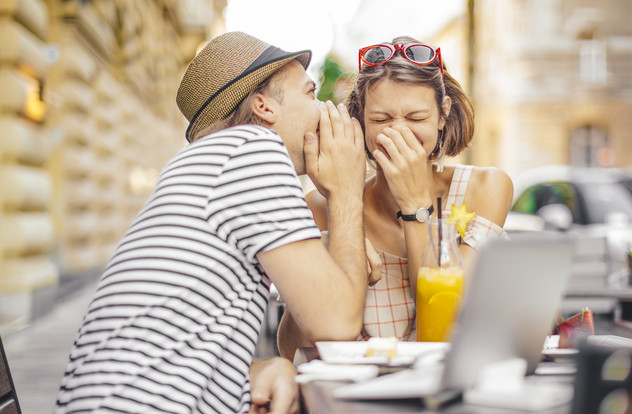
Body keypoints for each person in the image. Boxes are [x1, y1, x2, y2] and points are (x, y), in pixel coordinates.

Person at [55, 31, 369, 414]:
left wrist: (255, 370)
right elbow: (336, 324)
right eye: (309, 93)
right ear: (264, 106)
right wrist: (348, 191)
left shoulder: (211, 160)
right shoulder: (253, 150)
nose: (322, 109)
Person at [278, 36, 513, 357]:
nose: (398, 133)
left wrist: (416, 206)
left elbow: (448, 321)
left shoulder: (485, 188)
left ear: (443, 114)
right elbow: (293, 350)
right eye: (381, 119)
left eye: (416, 118)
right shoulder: (321, 205)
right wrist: (328, 250)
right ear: (359, 118)